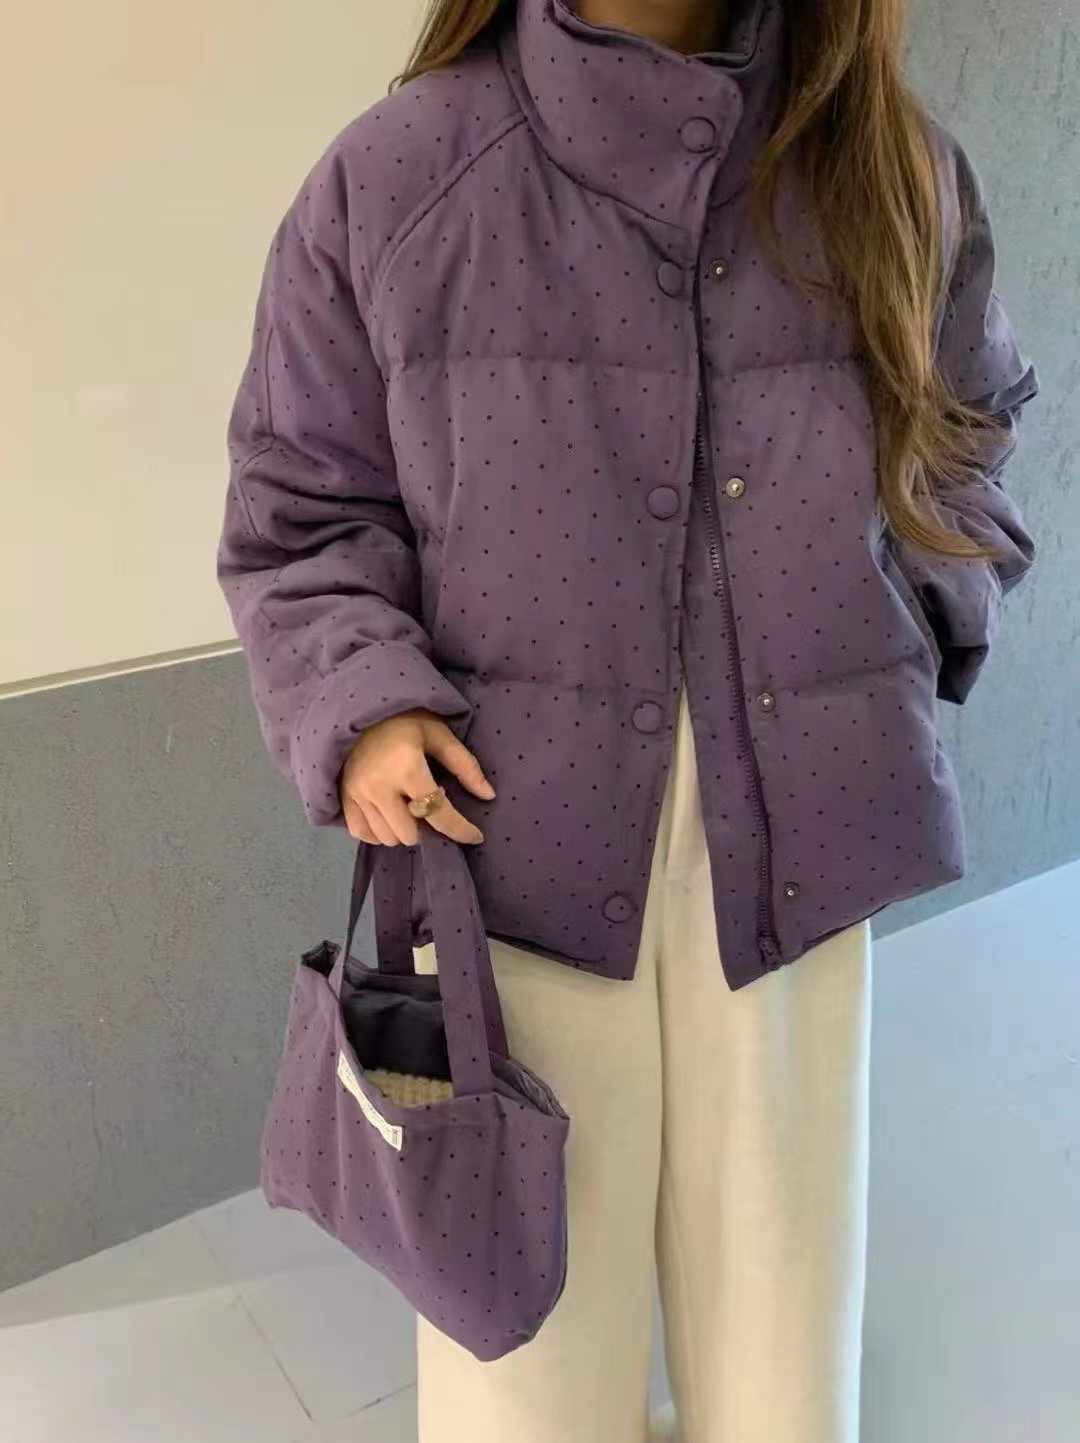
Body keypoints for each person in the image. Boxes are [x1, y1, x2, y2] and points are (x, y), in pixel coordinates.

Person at [216, 1, 1038, 1439]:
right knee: (524, 1353)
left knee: (783, 1323)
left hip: (804, 829)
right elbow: (300, 502)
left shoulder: (885, 168)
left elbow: (969, 430)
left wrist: (905, 623)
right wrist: (360, 703)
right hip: (508, 846)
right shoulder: (402, 174)